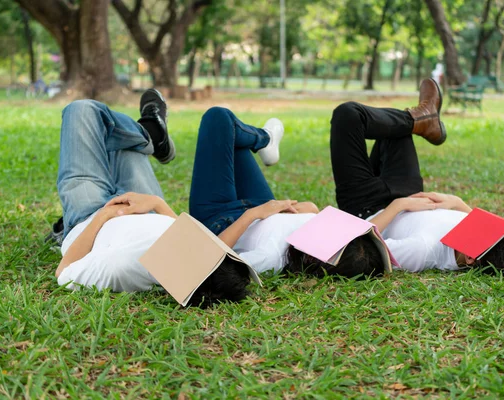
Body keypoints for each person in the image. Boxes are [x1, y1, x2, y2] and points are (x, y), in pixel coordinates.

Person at [55, 90, 250, 307]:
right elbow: (180, 229)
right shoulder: (192, 256)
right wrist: (157, 203)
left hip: (91, 213)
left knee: (81, 111)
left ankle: (151, 134)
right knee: (124, 142)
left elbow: (64, 272)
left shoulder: (123, 267)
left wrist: (104, 215)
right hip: (145, 204)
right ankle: (154, 136)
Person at [328, 78, 504, 277]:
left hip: (368, 207)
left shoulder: (422, 250)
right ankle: (422, 120)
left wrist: (397, 206)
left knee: (348, 115)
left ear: (470, 257)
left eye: (487, 231)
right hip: (409, 192)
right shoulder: (474, 241)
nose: (484, 224)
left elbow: (354, 244)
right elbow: (483, 225)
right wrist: (457, 203)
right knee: (393, 129)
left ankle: (420, 119)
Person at [188, 107, 386, 279]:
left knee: (219, 119)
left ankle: (265, 139)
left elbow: (211, 259)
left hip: (219, 217)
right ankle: (266, 141)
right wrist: (305, 210)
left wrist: (252, 215)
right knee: (232, 138)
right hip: (263, 204)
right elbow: (311, 209)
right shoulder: (313, 234)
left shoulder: (272, 257)